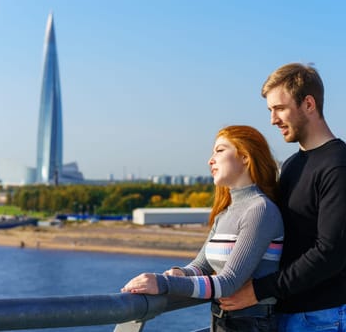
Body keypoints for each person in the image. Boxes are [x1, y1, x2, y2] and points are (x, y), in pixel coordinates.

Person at [218, 63, 346, 332]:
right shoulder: (290, 165)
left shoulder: (341, 167)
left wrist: (257, 290)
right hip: (286, 313)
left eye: (280, 108)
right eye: (270, 111)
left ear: (308, 104)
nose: (272, 120)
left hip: (322, 317)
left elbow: (330, 253)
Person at [121, 125, 284, 332]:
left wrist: (162, 283)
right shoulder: (225, 213)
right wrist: (179, 274)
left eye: (220, 150)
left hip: (251, 323)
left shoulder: (260, 210)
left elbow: (228, 282)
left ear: (245, 157)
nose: (210, 160)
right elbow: (202, 266)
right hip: (222, 320)